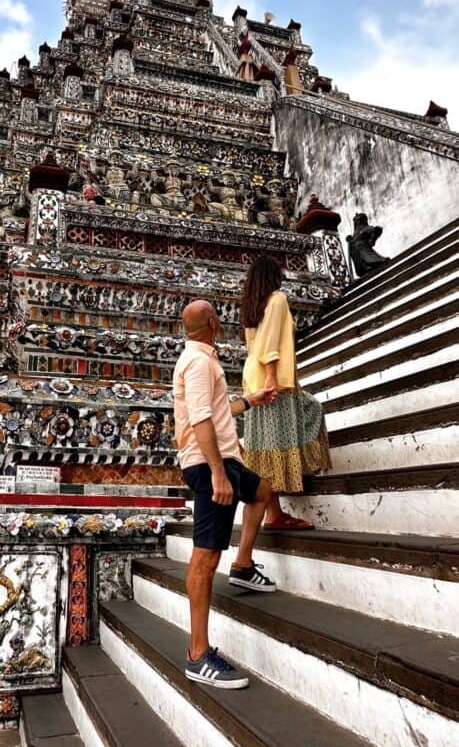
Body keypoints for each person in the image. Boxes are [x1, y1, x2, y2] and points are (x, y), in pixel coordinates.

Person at [174, 299, 277, 690]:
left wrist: (251, 400)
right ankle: (198, 654)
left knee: (262, 490)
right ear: (213, 322)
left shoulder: (200, 358)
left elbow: (216, 410)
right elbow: (201, 419)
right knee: (205, 556)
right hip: (208, 463)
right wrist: (217, 472)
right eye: (218, 314)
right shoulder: (199, 363)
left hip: (223, 459)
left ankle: (243, 564)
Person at [240, 256, 331, 530]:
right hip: (272, 381)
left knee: (267, 447)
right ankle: (275, 513)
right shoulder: (277, 299)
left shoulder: (253, 307)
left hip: (254, 381)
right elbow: (269, 344)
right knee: (310, 412)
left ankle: (275, 511)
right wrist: (271, 378)